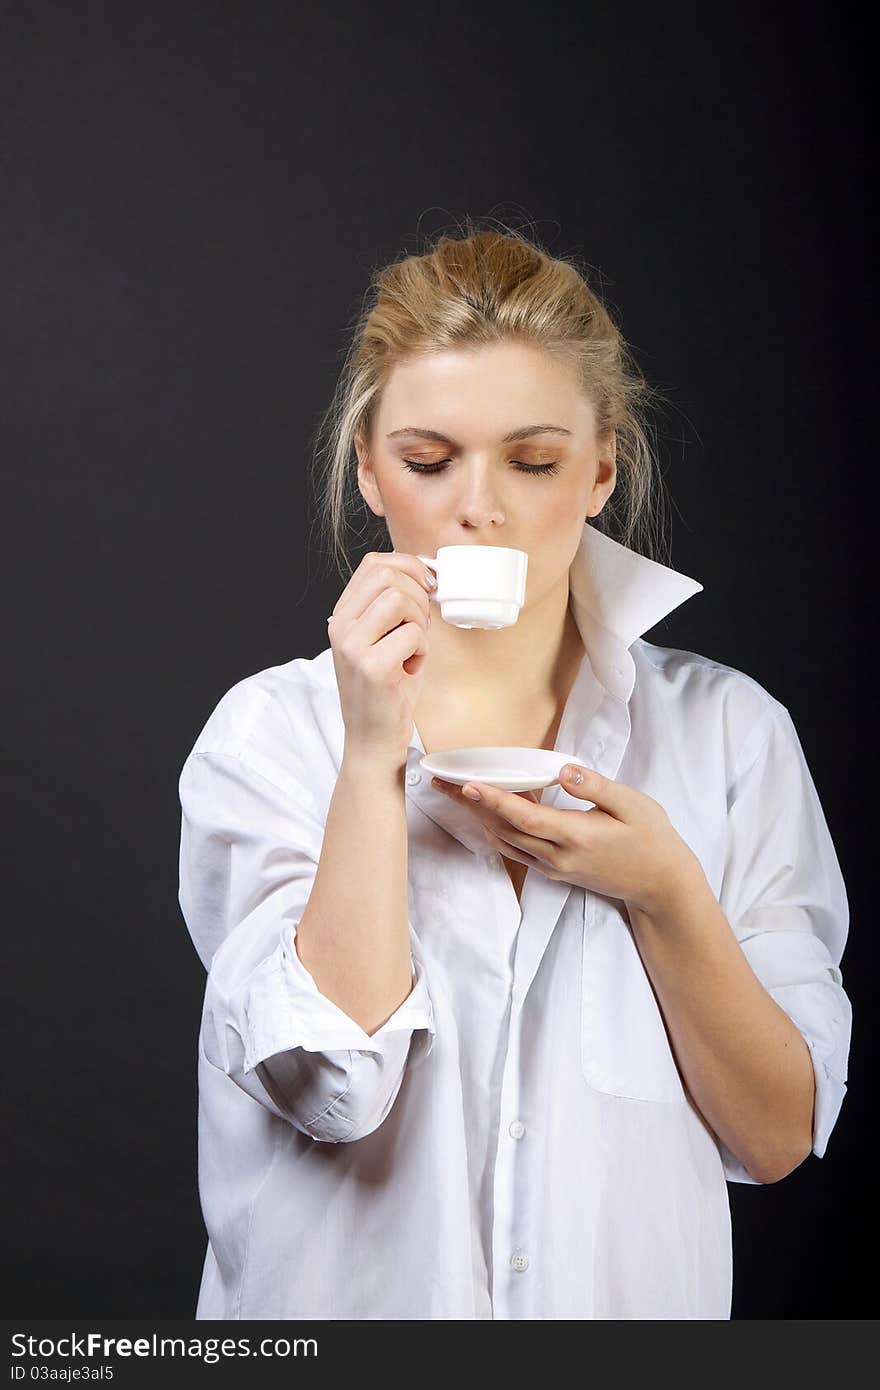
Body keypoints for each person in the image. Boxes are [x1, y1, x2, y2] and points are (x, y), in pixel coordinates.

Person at [177, 219, 852, 1320]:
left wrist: (665, 890)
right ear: (367, 469)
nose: (477, 506)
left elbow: (776, 1135)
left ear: (598, 470)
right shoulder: (269, 737)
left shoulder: (729, 738)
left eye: (531, 460)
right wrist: (367, 757)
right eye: (427, 459)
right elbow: (334, 1091)